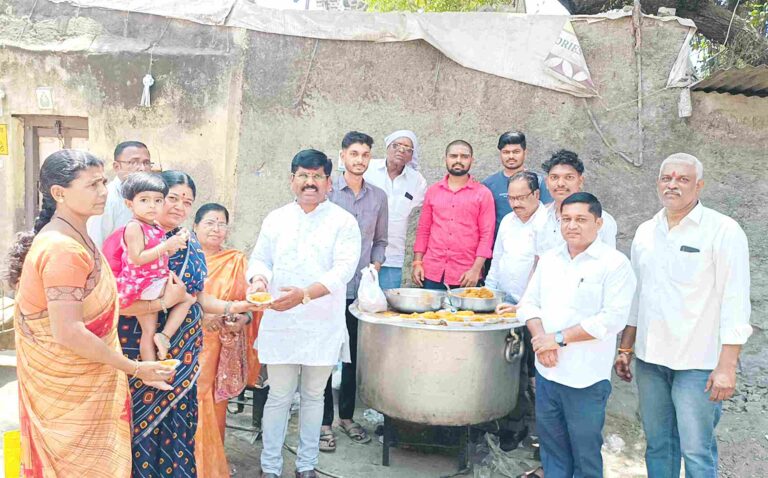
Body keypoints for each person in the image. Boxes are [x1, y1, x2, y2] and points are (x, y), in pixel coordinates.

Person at [6, 150, 174, 477]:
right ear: (59, 194)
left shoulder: (77, 236)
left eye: (104, 182)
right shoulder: (61, 249)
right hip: (67, 394)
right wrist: (135, 368)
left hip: (88, 381)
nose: (103, 191)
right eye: (92, 184)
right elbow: (68, 332)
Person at [110, 171, 261, 477]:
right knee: (140, 428)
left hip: (185, 356)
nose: (179, 206)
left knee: (178, 430)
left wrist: (239, 305)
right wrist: (164, 303)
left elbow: (201, 298)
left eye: (187, 201)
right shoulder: (132, 239)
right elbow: (115, 300)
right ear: (153, 199)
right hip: (140, 350)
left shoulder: (188, 243)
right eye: (172, 198)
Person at [614, 153, 753, 478]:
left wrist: (727, 367)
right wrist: (626, 348)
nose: (673, 184)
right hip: (651, 362)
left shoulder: (723, 231)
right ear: (658, 183)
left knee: (696, 450)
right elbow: (638, 296)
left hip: (699, 364)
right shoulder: (646, 232)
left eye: (683, 179)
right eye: (667, 178)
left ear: (699, 186)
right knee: (659, 444)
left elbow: (736, 302)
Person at [246, 149, 361, 478]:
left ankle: (306, 466)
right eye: (303, 176)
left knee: (313, 396)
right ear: (292, 180)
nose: (309, 183)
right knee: (279, 395)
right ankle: (270, 468)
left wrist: (305, 295)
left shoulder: (343, 221)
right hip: (281, 320)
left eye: (317, 177)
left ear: (328, 182)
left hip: (321, 323)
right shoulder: (276, 218)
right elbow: (261, 259)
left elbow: (343, 271)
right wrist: (258, 279)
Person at [516, 192, 636, 478]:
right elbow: (528, 303)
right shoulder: (550, 259)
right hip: (548, 375)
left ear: (599, 222)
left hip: (586, 379)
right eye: (566, 219)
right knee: (553, 452)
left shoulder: (615, 264)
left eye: (581, 219)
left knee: (585, 456)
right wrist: (541, 339)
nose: (572, 225)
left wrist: (556, 339)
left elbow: (611, 320)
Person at [321, 131, 388, 451]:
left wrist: (375, 265)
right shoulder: (328, 192)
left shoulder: (378, 197)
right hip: (327, 289)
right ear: (343, 156)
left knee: (351, 357)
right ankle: (323, 423)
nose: (359, 159)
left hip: (358, 294)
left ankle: (346, 417)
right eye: (354, 154)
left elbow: (380, 241)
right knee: (322, 355)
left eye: (365, 155)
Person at [193, 202, 260, 477]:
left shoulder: (236, 260)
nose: (216, 229)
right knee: (193, 400)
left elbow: (249, 306)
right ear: (195, 226)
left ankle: (212, 464)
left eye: (221, 223)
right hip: (188, 343)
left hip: (221, 344)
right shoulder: (184, 257)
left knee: (216, 404)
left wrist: (241, 320)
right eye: (210, 222)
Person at [115, 172, 196, 365]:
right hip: (143, 286)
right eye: (144, 200)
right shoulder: (134, 227)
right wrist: (166, 247)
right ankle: (164, 339)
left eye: (157, 200)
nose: (152, 205)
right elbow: (137, 258)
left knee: (149, 332)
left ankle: (153, 367)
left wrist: (170, 248)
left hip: (154, 282)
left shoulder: (155, 228)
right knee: (186, 298)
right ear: (129, 203)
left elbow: (155, 257)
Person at [412, 140, 495, 289]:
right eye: (453, 156)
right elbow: (423, 230)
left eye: (464, 156)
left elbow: (487, 236)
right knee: (430, 312)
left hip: (466, 275)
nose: (458, 160)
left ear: (471, 160)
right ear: (446, 159)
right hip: (431, 272)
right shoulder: (433, 191)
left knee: (464, 313)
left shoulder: (483, 194)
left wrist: (476, 270)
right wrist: (417, 263)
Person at [363, 129, 428, 289]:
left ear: (412, 154)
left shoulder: (417, 181)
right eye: (396, 145)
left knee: (386, 305)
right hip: (362, 251)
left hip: (392, 254)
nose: (401, 150)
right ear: (387, 147)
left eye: (407, 148)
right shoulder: (368, 169)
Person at [534, 150, 617, 256]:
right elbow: (537, 260)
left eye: (569, 177)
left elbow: (609, 262)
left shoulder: (599, 220)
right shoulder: (540, 216)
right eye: (554, 177)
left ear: (580, 181)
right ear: (546, 182)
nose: (560, 184)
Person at [486, 171, 548, 304]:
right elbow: (498, 259)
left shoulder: (548, 223)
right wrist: (488, 291)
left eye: (521, 197)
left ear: (536, 194)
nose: (515, 203)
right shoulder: (507, 221)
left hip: (535, 304)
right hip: (504, 300)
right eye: (511, 198)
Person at [483, 131, 552, 236]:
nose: (511, 156)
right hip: (502, 244)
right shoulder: (489, 184)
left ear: (525, 152)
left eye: (516, 152)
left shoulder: (540, 182)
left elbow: (548, 213)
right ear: (500, 154)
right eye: (506, 152)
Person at [87, 141, 153, 248]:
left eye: (146, 163)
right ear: (117, 166)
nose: (142, 168)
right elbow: (95, 243)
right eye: (133, 162)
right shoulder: (107, 199)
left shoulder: (151, 198)